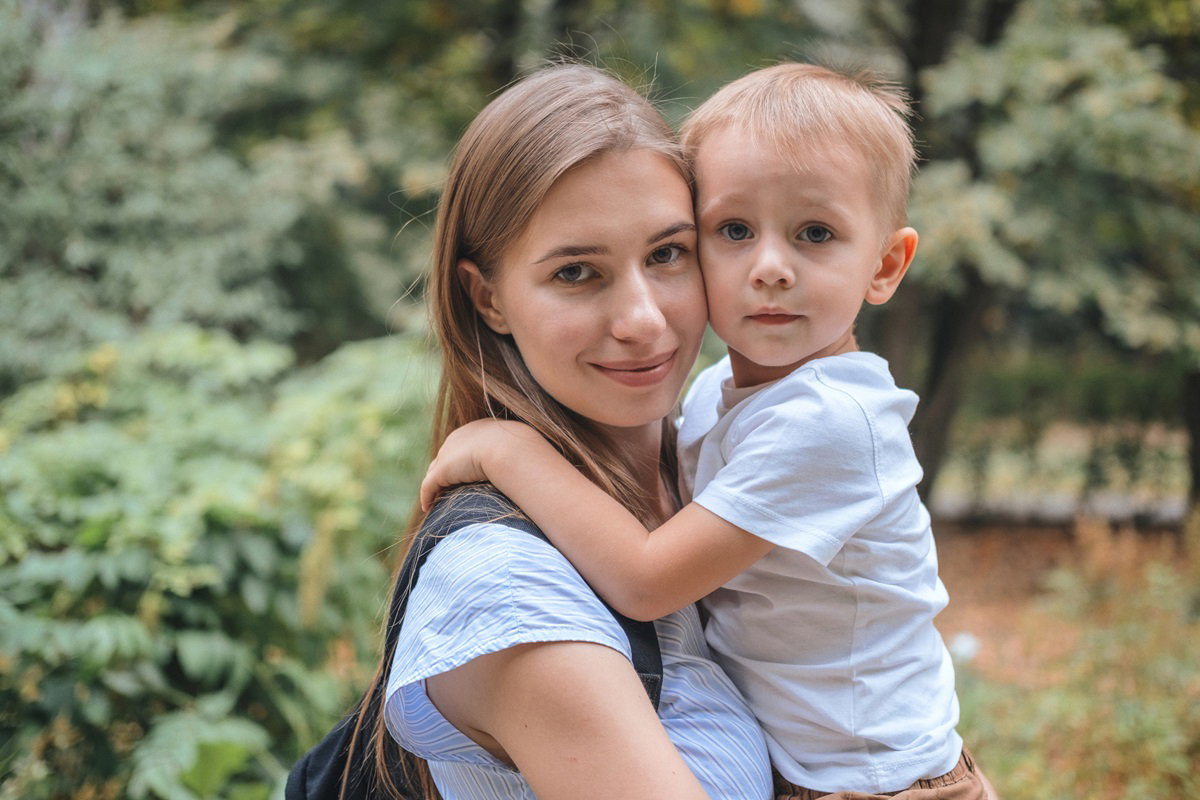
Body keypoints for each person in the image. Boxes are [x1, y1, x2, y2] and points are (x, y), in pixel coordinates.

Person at [421, 63, 992, 799]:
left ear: (885, 266)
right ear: (486, 297)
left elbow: (649, 578)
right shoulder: (709, 402)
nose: (771, 268)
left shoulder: (832, 421)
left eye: (814, 233)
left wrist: (507, 449)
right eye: (732, 231)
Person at [349, 63, 773, 800]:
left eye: (668, 253)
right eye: (578, 272)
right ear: (488, 300)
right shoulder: (505, 588)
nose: (642, 319)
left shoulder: (714, 465)